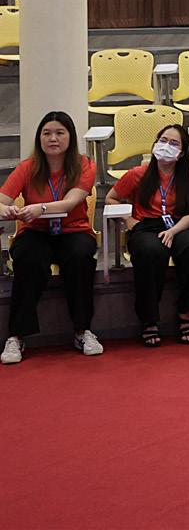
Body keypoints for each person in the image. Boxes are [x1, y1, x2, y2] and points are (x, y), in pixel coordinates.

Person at [1, 112, 101, 365]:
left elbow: (71, 202)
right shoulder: (27, 167)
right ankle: (16, 336)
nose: (53, 138)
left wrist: (41, 208)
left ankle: (83, 331)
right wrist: (6, 209)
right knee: (28, 258)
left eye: (59, 133)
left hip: (73, 230)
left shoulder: (85, 165)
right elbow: (2, 199)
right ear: (39, 138)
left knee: (80, 257)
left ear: (70, 137)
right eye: (47, 133)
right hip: (35, 231)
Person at [106, 124, 189, 346]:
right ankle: (149, 319)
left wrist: (173, 231)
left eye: (173, 143)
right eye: (163, 140)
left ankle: (186, 312)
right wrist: (129, 220)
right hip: (146, 226)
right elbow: (111, 198)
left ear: (182, 152)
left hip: (179, 224)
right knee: (150, 251)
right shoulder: (137, 174)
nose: (166, 146)